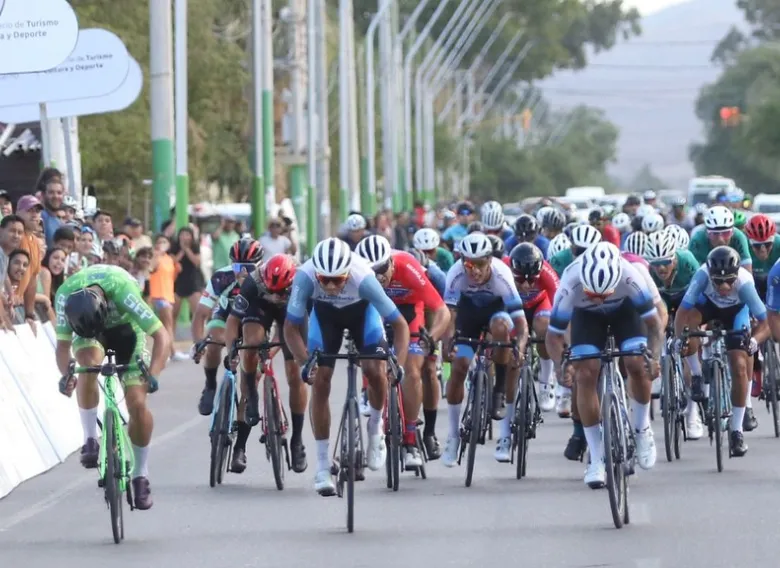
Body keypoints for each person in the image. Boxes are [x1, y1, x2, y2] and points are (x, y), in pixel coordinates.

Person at [282, 238, 410, 496]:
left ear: (348, 274)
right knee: (320, 381)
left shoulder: (364, 277)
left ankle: (375, 429)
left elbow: (400, 325)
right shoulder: (305, 276)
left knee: (374, 371)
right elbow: (290, 328)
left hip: (362, 314)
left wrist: (398, 362)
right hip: (325, 318)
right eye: (324, 280)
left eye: (337, 280)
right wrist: (304, 361)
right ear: (316, 273)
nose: (330, 286)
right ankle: (322, 467)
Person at [546, 242, 664, 488]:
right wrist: (560, 366)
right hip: (586, 317)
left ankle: (642, 428)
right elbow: (554, 335)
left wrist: (653, 357)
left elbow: (654, 326)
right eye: (593, 294)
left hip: (625, 312)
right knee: (585, 373)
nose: (599, 300)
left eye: (604, 294)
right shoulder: (570, 281)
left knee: (636, 362)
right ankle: (596, 455)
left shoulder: (631, 275)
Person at [55, 264, 171, 510]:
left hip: (126, 330)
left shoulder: (123, 289)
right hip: (89, 332)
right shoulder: (65, 295)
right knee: (87, 365)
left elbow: (161, 336)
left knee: (137, 403)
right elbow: (63, 347)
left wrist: (154, 374)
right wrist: (68, 375)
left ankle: (141, 475)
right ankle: (90, 439)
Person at [355, 235, 451, 466]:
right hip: (376, 311)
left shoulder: (408, 266)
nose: (379, 277)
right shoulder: (356, 274)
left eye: (382, 269)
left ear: (391, 261)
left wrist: (432, 337)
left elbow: (442, 310)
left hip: (409, 312)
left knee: (413, 371)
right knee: (371, 358)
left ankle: (410, 440)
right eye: (372, 272)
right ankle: (370, 396)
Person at [441, 232, 528, 466]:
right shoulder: (455, 274)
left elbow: (520, 323)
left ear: (490, 260)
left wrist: (520, 346)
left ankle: (499, 390)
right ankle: (453, 435)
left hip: (496, 313)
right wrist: (447, 342)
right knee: (459, 367)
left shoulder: (502, 275)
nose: (474, 271)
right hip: (468, 316)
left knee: (501, 329)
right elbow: (450, 315)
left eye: (480, 264)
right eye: (469, 264)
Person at [675, 246, 769, 457]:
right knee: (689, 327)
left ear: (736, 275)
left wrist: (755, 341)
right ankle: (697, 374)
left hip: (736, 313)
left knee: (740, 365)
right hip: (707, 306)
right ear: (710, 276)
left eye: (729, 281)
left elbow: (766, 322)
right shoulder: (701, 276)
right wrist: (682, 339)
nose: (724, 286)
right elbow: (682, 313)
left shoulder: (744, 283)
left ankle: (736, 431)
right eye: (718, 281)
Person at [225, 253, 309, 473]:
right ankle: (241, 441)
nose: (275, 296)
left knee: (296, 373)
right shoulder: (253, 283)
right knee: (250, 346)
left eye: (280, 292)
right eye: (272, 291)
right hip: (258, 306)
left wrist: (302, 356)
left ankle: (297, 441)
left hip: (290, 313)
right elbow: (233, 321)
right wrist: (232, 350)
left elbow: (300, 332)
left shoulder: (303, 283)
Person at [193, 237, 264, 416]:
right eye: (238, 267)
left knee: (251, 376)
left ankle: (242, 421)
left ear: (260, 265)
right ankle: (210, 384)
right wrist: (198, 342)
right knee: (214, 342)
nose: (243, 274)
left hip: (254, 320)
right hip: (225, 317)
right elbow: (201, 314)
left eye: (249, 268)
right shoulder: (221, 277)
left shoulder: (266, 278)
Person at [644, 230, 704, 439]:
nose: (661, 268)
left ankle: (693, 412)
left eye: (666, 262)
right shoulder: (648, 271)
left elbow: (700, 295)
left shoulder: (688, 262)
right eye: (656, 264)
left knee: (688, 339)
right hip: (662, 300)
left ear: (675, 259)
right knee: (655, 326)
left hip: (686, 298)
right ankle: (660, 367)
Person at [508, 243, 560, 413]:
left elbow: (559, 306)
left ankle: (546, 381)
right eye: (520, 279)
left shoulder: (547, 273)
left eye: (532, 280)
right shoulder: (504, 268)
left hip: (539, 305)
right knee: (510, 338)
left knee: (544, 326)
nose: (526, 285)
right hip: (515, 307)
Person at [16, 195, 44, 335]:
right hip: (8, 302)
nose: (34, 215)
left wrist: (29, 314)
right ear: (18, 213)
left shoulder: (36, 242)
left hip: (19, 304)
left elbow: (32, 280)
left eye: (37, 211)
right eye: (29, 210)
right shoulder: (14, 237)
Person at [171, 226, 205, 327]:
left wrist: (187, 249)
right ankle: (171, 335)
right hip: (178, 281)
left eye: (187, 235)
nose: (184, 237)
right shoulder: (174, 247)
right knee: (173, 313)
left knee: (197, 312)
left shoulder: (195, 247)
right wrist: (182, 250)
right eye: (182, 235)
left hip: (193, 280)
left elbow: (197, 262)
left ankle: (199, 334)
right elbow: (173, 261)